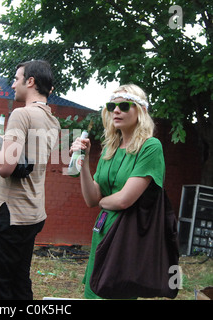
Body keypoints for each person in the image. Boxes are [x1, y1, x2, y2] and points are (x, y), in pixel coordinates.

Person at [70, 84, 165, 299]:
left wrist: (103, 201)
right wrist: (83, 164)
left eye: (124, 105)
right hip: (102, 232)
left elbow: (124, 200)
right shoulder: (109, 148)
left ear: (141, 111)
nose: (116, 110)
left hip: (126, 236)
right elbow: (91, 199)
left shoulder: (150, 147)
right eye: (112, 105)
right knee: (94, 292)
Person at [0, 60, 61, 300]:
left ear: (31, 81)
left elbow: (6, 167)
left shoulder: (21, 114)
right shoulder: (53, 121)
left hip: (10, 214)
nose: (12, 84)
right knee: (19, 282)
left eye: (16, 78)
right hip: (33, 213)